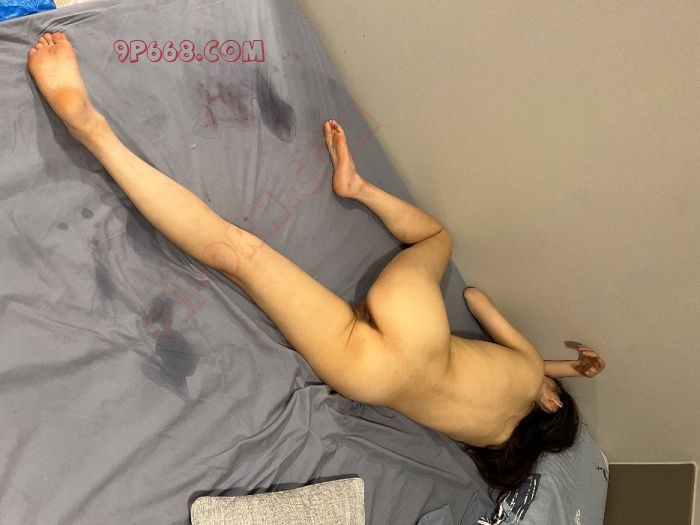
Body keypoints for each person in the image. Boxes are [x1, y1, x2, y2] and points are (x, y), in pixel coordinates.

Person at [27, 32, 606, 494]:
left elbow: (477, 301)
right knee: (240, 254)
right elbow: (511, 377)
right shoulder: (490, 436)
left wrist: (562, 368)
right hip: (369, 375)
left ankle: (356, 187)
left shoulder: (526, 373)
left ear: (550, 401)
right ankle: (94, 134)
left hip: (419, 327)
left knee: (439, 237)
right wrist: (561, 371)